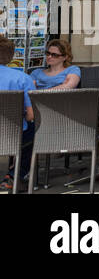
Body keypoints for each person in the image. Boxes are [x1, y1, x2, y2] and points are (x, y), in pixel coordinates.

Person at [0, 36, 36, 190]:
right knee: (33, 130)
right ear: (10, 56)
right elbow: (31, 115)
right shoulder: (23, 78)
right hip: (12, 135)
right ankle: (16, 174)